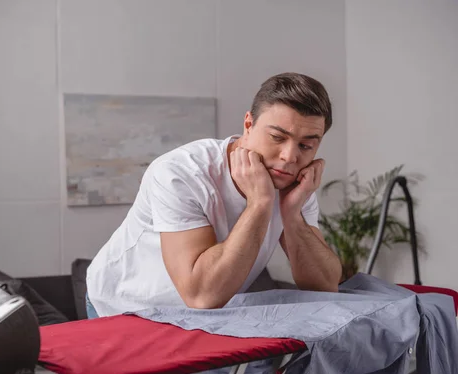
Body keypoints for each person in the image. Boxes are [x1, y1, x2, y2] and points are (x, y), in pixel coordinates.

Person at [86, 72, 342, 322]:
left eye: (306, 145)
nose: (290, 156)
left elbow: (324, 284)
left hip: (201, 313)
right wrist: (260, 203)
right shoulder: (181, 173)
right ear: (248, 125)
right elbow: (201, 295)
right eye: (277, 137)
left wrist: (292, 214)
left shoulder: (293, 181)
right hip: (123, 307)